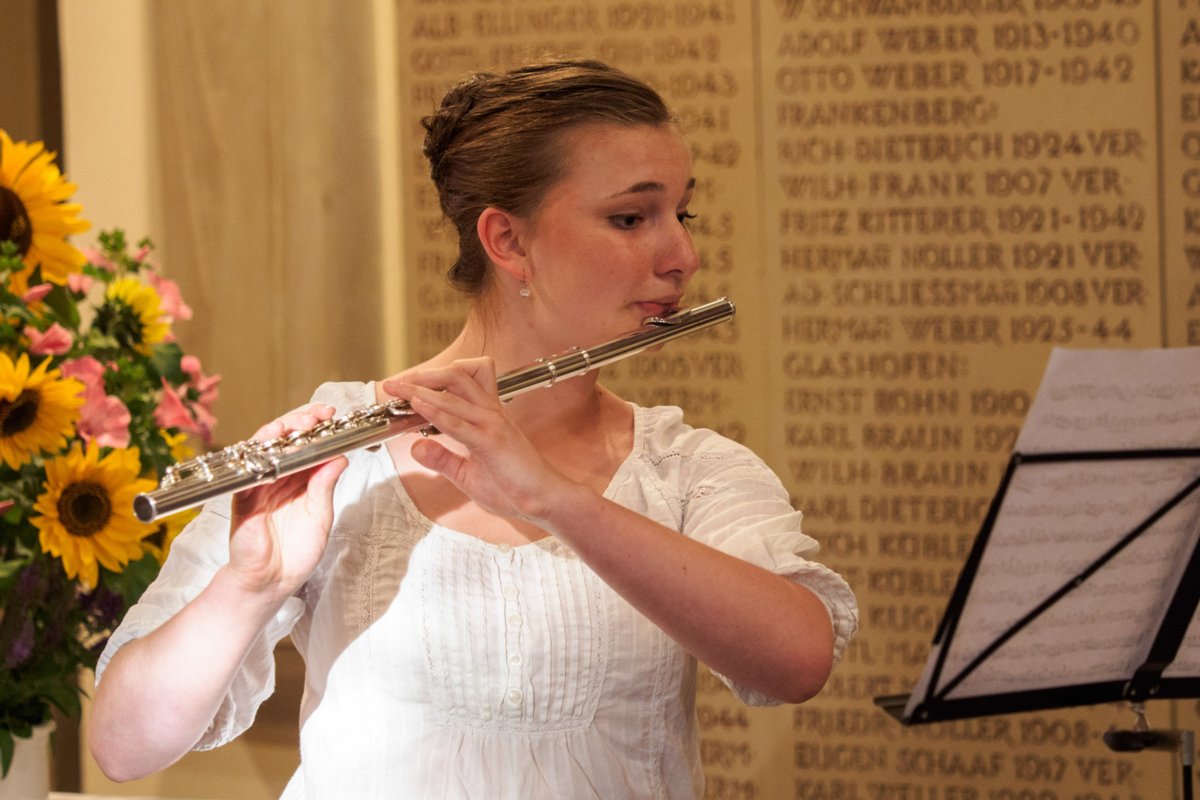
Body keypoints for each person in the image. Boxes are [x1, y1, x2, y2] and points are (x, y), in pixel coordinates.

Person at [89, 58, 858, 799]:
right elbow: (124, 748)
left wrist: (556, 500)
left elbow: (796, 664)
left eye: (680, 213)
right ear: (507, 241)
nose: (682, 255)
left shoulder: (685, 467)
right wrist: (249, 585)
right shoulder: (341, 448)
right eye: (632, 217)